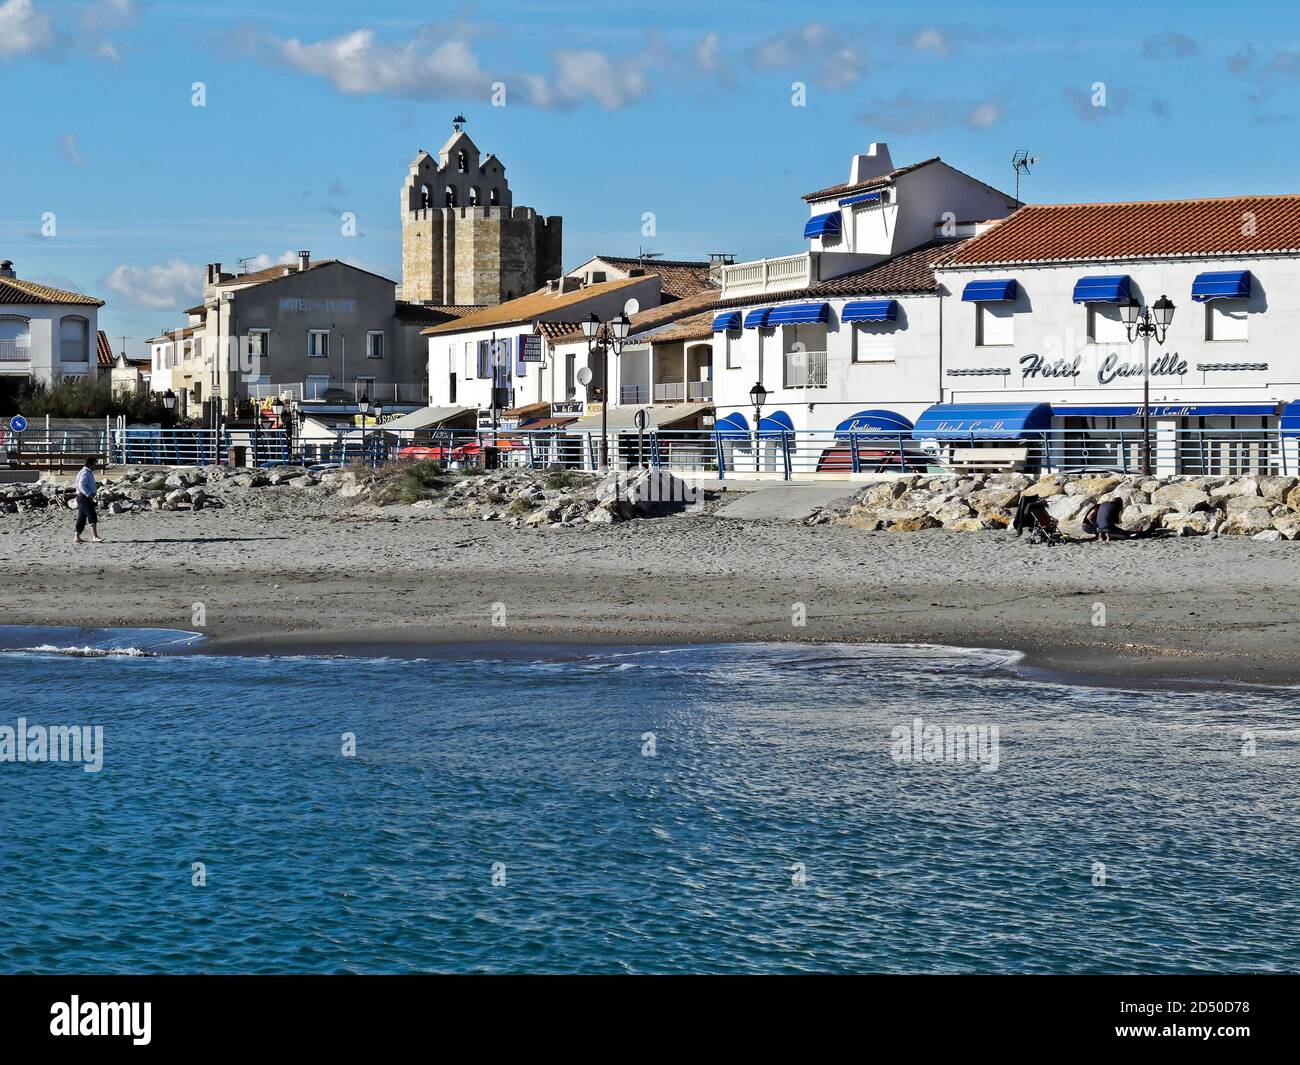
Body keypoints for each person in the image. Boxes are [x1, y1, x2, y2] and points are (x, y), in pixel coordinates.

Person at [74, 456, 104, 545]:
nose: (96, 466)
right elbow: (81, 485)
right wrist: (90, 494)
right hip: (84, 497)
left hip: (81, 497)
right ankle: (95, 536)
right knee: (92, 515)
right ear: (90, 464)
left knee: (82, 518)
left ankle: (77, 537)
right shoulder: (85, 473)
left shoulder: (85, 471)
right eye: (95, 463)